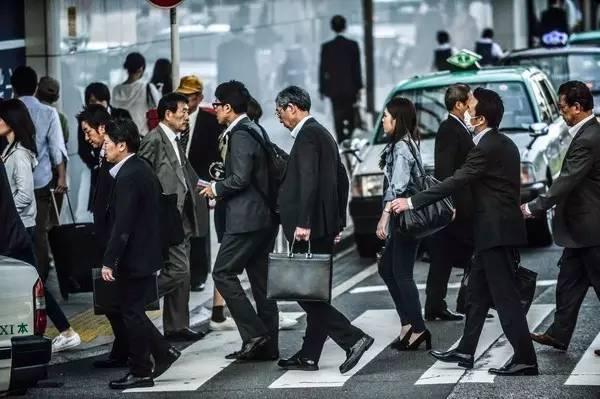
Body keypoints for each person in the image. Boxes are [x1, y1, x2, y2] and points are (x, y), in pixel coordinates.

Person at [391, 87, 538, 376]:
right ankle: (466, 350)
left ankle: (525, 358)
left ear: (481, 118)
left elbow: (457, 180)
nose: (464, 110)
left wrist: (412, 201)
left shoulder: (486, 147)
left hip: (496, 233)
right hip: (493, 231)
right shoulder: (501, 142)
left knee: (505, 298)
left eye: (469, 107)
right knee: (477, 296)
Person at [275, 85, 373, 374]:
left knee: (304, 293)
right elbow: (342, 179)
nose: (279, 118)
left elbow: (308, 182)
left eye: (279, 111)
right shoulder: (324, 134)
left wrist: (304, 222)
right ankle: (308, 355)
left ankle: (353, 338)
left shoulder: (307, 136)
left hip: (311, 228)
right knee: (315, 293)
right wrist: (339, 221)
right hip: (324, 225)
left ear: (292, 107)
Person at [200, 80, 279, 361]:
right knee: (261, 283)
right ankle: (268, 347)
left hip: (247, 218)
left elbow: (241, 178)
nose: (215, 109)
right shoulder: (254, 128)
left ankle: (256, 334)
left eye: (217, 105)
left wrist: (215, 188)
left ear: (228, 107)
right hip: (261, 217)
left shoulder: (242, 134)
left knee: (222, 272)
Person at [100, 119, 180, 390]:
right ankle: (162, 352)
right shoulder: (139, 168)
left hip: (135, 256)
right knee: (133, 311)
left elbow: (124, 223)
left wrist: (110, 259)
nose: (104, 149)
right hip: (145, 253)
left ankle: (141, 371)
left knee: (131, 313)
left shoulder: (130, 175)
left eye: (108, 144)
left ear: (122, 145)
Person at [523, 81, 600, 352]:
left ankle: (559, 332)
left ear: (577, 108)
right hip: (581, 230)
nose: (561, 113)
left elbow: (567, 179)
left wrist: (534, 206)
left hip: (592, 229)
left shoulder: (589, 138)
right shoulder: (588, 132)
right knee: (567, 284)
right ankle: (559, 333)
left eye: (563, 108)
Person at [0, 98, 81, 353]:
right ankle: (60, 331)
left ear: (11, 121)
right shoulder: (11, 150)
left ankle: (66, 331)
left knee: (35, 284)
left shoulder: (20, 154)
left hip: (20, 228)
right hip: (18, 226)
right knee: (33, 283)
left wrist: (6, 209)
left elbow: (25, 195)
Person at [138, 92, 208, 342]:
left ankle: (177, 326)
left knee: (185, 272)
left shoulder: (176, 139)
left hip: (183, 214)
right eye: (183, 112)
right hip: (166, 215)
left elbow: (184, 173)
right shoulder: (154, 140)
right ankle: (135, 300)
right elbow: (142, 178)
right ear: (167, 114)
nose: (186, 116)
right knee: (178, 271)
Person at [174, 75, 235, 331]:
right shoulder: (175, 119)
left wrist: (212, 182)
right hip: (178, 182)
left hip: (201, 183)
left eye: (189, 97)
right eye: (183, 97)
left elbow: (217, 155)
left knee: (200, 229)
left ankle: (199, 275)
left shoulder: (211, 121)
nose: (186, 102)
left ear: (199, 97)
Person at [375, 97, 431, 351]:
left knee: (401, 273)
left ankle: (417, 327)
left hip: (405, 219)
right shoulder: (402, 143)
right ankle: (409, 323)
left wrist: (384, 217)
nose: (383, 120)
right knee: (388, 268)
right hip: (403, 218)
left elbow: (397, 186)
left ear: (396, 119)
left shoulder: (401, 148)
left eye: (386, 116)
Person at [77, 104, 131, 367]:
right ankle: (123, 350)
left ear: (102, 128)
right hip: (106, 235)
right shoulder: (100, 156)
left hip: (114, 237)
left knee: (118, 301)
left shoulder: (116, 158)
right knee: (112, 300)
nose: (86, 137)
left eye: (88, 131)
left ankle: (131, 351)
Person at [11, 65, 68, 282]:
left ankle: (19, 278)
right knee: (40, 233)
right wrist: (61, 176)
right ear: (36, 87)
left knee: (14, 229)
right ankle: (40, 281)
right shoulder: (48, 112)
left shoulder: (8, 110)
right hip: (41, 181)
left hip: (12, 182)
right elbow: (56, 148)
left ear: (13, 87)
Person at [425, 84, 473, 321]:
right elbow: (444, 169)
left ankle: (444, 304)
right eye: (469, 101)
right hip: (455, 206)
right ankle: (448, 304)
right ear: (459, 104)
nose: (472, 105)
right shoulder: (448, 128)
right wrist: (449, 203)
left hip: (461, 204)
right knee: (449, 256)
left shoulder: (460, 127)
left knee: (447, 257)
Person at [78, 82, 131, 213]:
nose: (97, 104)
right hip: (99, 170)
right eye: (92, 101)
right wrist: (96, 165)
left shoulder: (121, 114)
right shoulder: (86, 121)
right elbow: (82, 149)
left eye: (100, 100)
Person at [319, 15, 363, 143]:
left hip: (334, 90)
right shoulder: (353, 45)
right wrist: (359, 87)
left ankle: (341, 140)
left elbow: (323, 70)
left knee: (337, 115)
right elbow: (357, 69)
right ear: (345, 27)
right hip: (350, 89)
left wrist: (322, 89)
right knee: (350, 114)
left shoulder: (327, 47)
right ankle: (349, 137)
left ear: (332, 27)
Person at [112, 52, 159, 136]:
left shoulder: (116, 90)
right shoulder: (148, 88)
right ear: (141, 69)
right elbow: (160, 109)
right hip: (144, 138)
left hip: (123, 138)